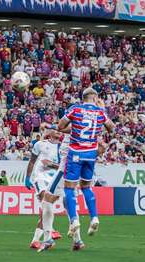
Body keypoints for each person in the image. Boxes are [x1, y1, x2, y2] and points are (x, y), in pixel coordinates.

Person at [57, 87, 114, 243]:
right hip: (91, 154)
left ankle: (74, 220)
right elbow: (111, 128)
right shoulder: (100, 112)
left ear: (83, 98)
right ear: (94, 98)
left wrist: (74, 128)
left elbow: (60, 126)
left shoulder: (75, 109)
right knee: (86, 187)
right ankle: (94, 217)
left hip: (76, 153)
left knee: (69, 188)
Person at [25, 130, 64, 250]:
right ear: (50, 133)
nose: (58, 132)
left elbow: (58, 164)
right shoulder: (40, 144)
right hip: (40, 176)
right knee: (44, 200)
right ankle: (50, 231)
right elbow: (32, 161)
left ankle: (35, 240)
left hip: (55, 179)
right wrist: (27, 177)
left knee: (47, 207)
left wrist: (54, 165)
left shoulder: (64, 147)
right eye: (55, 130)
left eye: (59, 131)